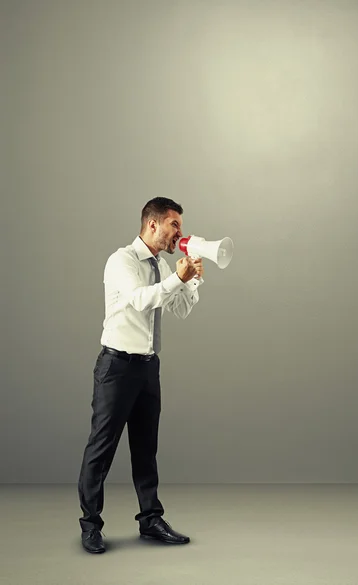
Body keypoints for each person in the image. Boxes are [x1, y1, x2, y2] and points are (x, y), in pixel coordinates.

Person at [78, 197, 204, 554]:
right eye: (174, 225)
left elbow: (179, 309)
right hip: (116, 367)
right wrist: (177, 277)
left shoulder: (161, 266)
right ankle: (91, 526)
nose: (180, 233)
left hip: (148, 367)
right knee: (101, 450)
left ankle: (150, 519)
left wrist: (190, 281)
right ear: (153, 224)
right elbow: (139, 299)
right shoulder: (122, 260)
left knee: (146, 449)